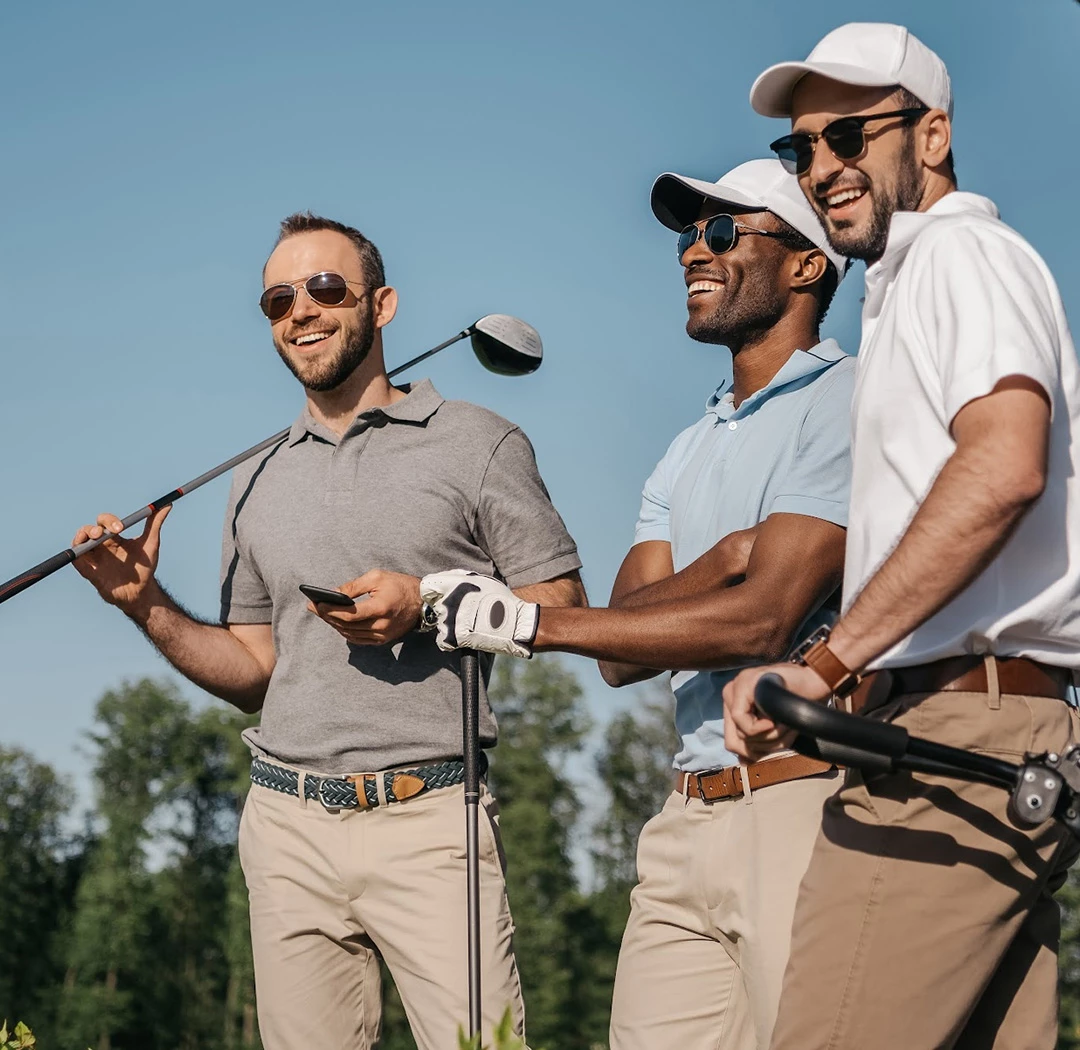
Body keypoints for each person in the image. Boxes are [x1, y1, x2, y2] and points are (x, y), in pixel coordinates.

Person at [70, 212, 586, 1050]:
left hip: (429, 819)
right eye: (278, 299)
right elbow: (251, 667)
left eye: (324, 289)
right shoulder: (254, 476)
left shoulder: (479, 443)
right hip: (286, 826)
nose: (300, 311)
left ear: (380, 305)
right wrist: (144, 601)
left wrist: (428, 601)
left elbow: (558, 603)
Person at [422, 159, 852, 1049]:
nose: (695, 248)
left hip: (807, 804)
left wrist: (523, 619)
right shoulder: (685, 449)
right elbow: (623, 650)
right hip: (685, 817)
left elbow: (763, 620)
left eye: (725, 230)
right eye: (689, 234)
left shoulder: (850, 403)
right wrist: (733, 553)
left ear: (808, 264)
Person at [722, 22, 1080, 1049]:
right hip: (997, 736)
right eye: (804, 150)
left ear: (932, 136)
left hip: (949, 743)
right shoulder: (919, 277)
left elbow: (1005, 461)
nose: (823, 168)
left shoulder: (957, 253)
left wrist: (826, 664)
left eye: (849, 136)